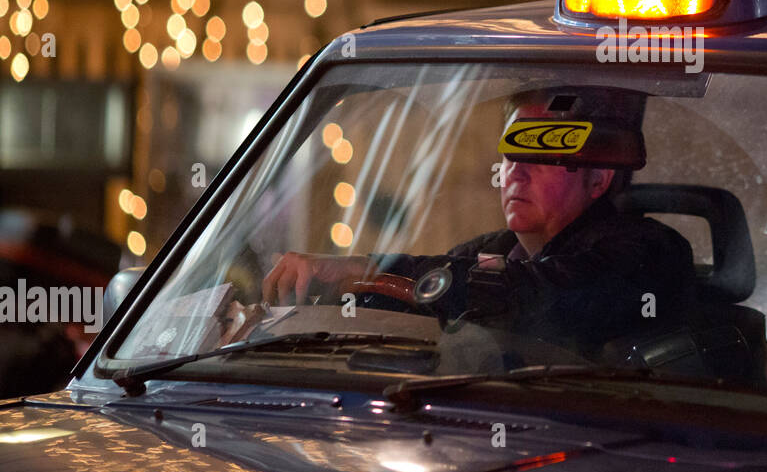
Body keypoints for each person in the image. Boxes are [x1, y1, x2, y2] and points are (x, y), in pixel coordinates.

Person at [262, 87, 696, 357]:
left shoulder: (650, 251)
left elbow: (539, 294)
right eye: (510, 155)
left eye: (539, 157)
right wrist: (346, 280)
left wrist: (374, 271)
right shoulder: (494, 247)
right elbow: (432, 292)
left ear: (598, 179)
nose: (515, 172)